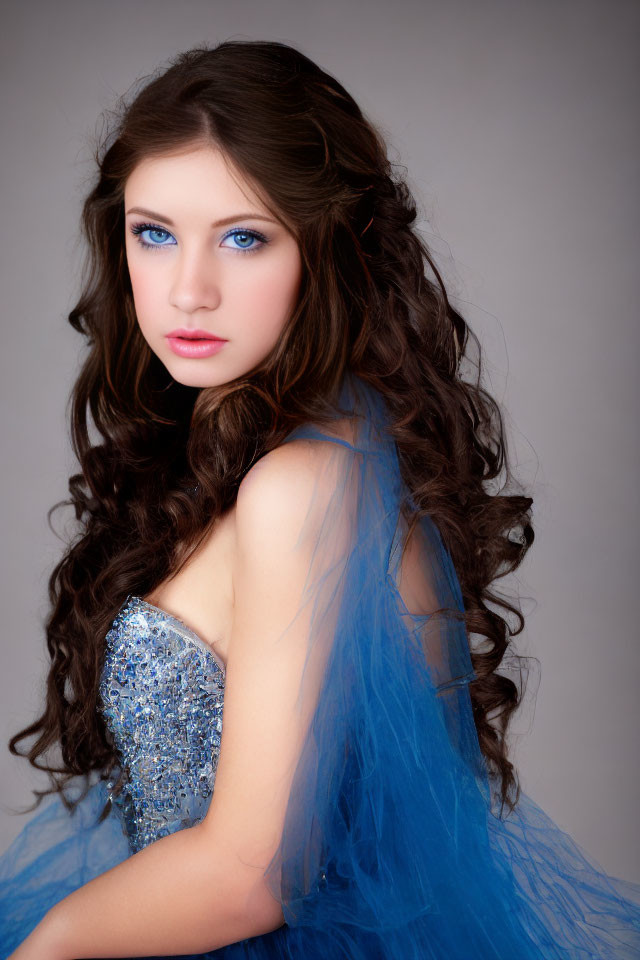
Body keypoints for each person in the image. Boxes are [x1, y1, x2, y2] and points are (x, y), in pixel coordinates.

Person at [0, 38, 638, 960]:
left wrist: (50, 944)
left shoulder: (302, 485)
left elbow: (256, 877)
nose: (190, 288)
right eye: (155, 232)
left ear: (326, 248)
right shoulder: (293, 453)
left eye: (245, 237)